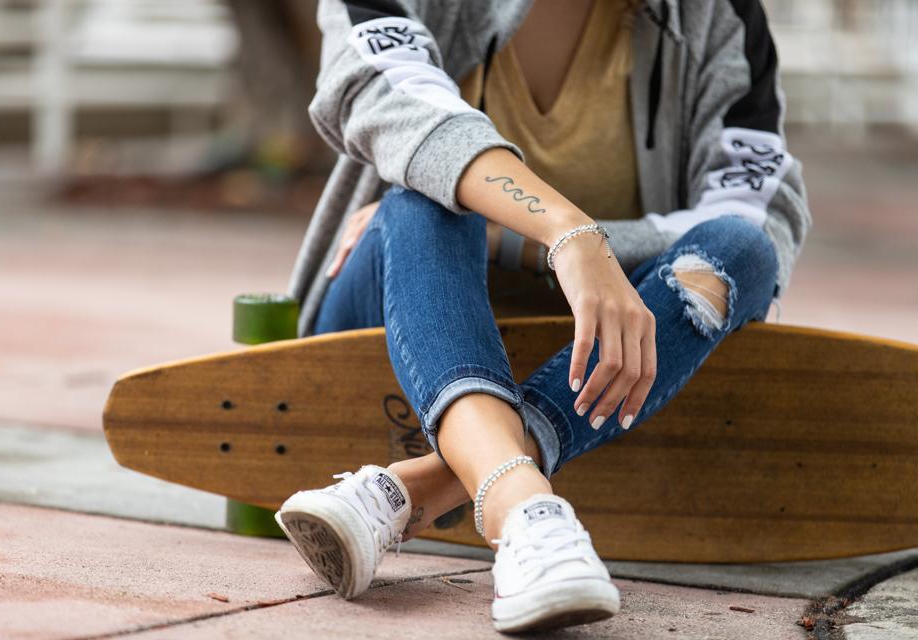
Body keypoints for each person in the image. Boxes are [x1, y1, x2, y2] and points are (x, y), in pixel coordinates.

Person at [276, 0, 810, 633]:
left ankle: (437, 492)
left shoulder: (718, 14)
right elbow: (392, 102)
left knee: (742, 252)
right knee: (427, 200)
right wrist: (564, 232)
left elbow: (755, 206)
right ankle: (520, 500)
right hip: (392, 312)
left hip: (594, 353)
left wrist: (537, 244)